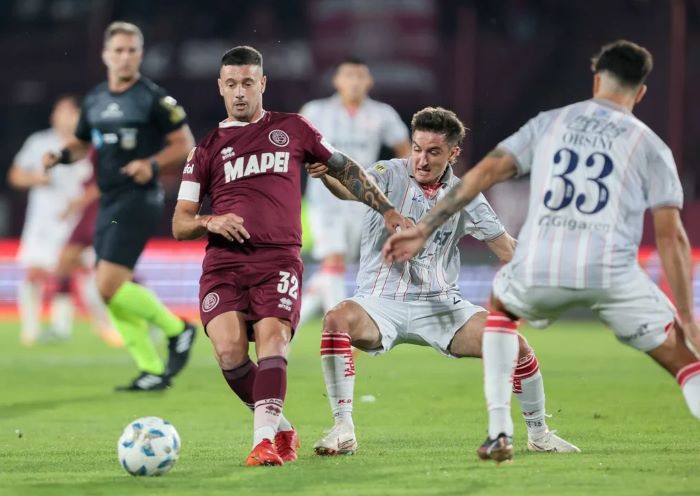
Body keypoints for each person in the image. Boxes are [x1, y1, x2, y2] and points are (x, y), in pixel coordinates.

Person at [383, 40, 700, 462]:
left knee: (500, 307)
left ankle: (499, 429)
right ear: (640, 92)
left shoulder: (550, 122)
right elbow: (672, 237)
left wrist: (425, 226)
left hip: (539, 267)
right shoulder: (651, 146)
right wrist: (687, 315)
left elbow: (485, 173)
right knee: (685, 361)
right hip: (613, 275)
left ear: (596, 80)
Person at [171, 46, 408, 467]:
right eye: (231, 84)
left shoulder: (294, 129)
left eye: (248, 83)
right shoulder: (204, 150)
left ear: (262, 83)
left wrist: (387, 209)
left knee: (272, 342)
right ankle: (280, 428)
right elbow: (181, 223)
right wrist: (211, 220)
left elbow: (346, 168)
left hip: (278, 261)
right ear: (220, 88)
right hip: (224, 264)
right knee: (227, 351)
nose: (240, 93)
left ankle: (263, 441)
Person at [306, 106, 578, 457]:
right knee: (336, 320)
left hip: (439, 305)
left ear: (453, 153)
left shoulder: (466, 195)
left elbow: (506, 247)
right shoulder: (388, 173)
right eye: (417, 149)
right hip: (379, 301)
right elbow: (347, 189)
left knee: (517, 346)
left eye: (433, 152)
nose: (421, 159)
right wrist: (326, 176)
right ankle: (343, 428)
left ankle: (539, 434)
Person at [42, 21, 197, 391]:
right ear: (106, 55)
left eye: (132, 50)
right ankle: (151, 369)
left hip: (138, 198)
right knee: (110, 289)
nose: (125, 56)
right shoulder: (95, 99)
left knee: (107, 285)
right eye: (119, 50)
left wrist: (152, 165)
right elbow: (82, 143)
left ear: (140, 55)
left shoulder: (154, 99)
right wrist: (60, 155)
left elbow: (185, 144)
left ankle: (178, 329)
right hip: (107, 198)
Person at [299, 58, 411, 326]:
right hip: (324, 201)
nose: (354, 81)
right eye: (349, 75)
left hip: (362, 202)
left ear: (369, 82)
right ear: (337, 81)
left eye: (360, 76)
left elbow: (405, 151)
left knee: (333, 269)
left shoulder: (382, 114)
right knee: (334, 260)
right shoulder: (315, 111)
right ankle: (341, 332)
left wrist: (402, 186)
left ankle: (290, 326)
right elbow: (296, 149)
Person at [8, 95, 91, 345]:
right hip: (43, 221)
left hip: (77, 221)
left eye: (69, 111)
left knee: (75, 273)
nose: (63, 116)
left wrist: (82, 202)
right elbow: (15, 176)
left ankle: (61, 328)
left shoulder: (88, 145)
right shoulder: (39, 142)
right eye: (59, 111)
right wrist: (36, 179)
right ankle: (30, 329)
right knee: (34, 273)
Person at [50, 149, 123, 347]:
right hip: (86, 218)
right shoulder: (77, 154)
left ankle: (147, 322)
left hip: (102, 216)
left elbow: (106, 182)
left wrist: (77, 203)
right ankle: (62, 327)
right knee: (67, 265)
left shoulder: (102, 151)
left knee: (108, 276)